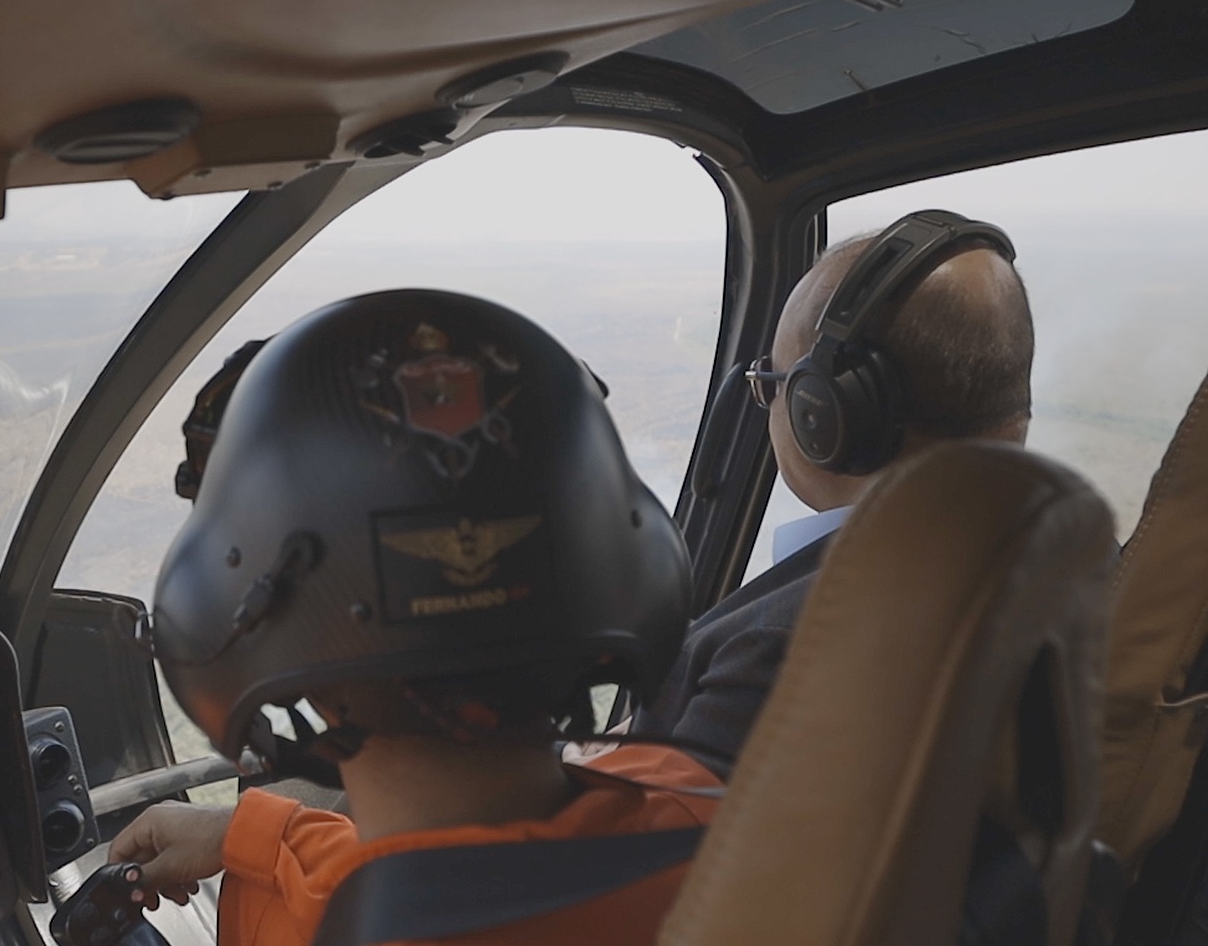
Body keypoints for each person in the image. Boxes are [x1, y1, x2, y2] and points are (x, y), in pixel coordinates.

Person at [110, 289, 721, 945]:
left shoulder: (306, 926)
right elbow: (463, 873)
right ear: (615, 564)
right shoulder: (711, 808)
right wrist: (254, 836)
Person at [633, 210, 1035, 779]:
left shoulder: (785, 651)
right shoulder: (1080, 572)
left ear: (820, 412)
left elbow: (665, 836)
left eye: (770, 382)